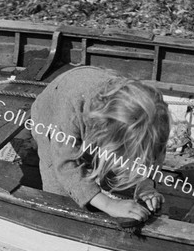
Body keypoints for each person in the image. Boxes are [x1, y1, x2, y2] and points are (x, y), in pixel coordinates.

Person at [30, 66, 171, 221]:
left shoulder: (152, 117)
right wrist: (109, 204)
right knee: (59, 191)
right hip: (50, 119)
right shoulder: (71, 107)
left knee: (108, 166)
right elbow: (65, 165)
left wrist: (145, 185)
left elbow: (151, 155)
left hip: (93, 113)